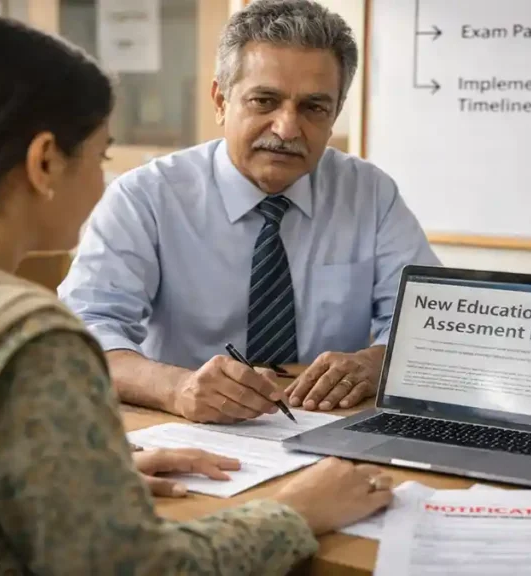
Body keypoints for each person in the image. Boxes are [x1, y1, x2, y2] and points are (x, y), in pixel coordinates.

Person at [0, 17, 394, 575]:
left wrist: (84, 471)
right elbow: (135, 568)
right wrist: (298, 509)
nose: (106, 181)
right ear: (44, 162)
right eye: (101, 156)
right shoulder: (33, 342)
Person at [57, 0, 440, 424]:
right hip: (185, 430)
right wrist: (177, 388)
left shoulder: (369, 193)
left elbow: (428, 326)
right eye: (264, 101)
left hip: (329, 427)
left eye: (314, 107)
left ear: (334, 114)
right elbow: (83, 337)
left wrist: (373, 363)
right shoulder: (145, 197)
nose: (287, 129)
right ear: (221, 100)